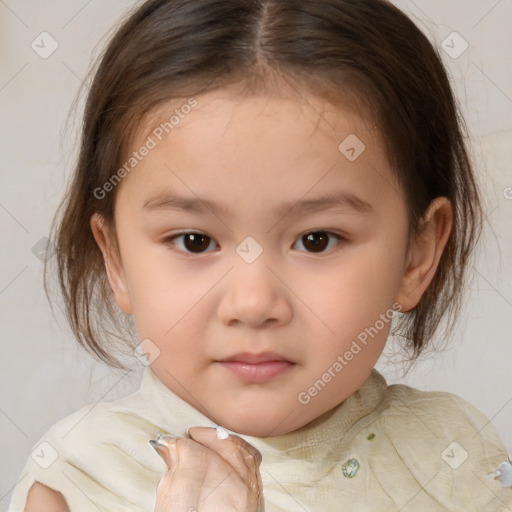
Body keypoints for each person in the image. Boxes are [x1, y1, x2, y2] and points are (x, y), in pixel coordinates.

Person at [9, 0, 512, 510]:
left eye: (317, 240)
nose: (253, 304)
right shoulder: (80, 478)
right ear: (115, 259)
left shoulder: (453, 456)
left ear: (415, 256)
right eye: (194, 241)